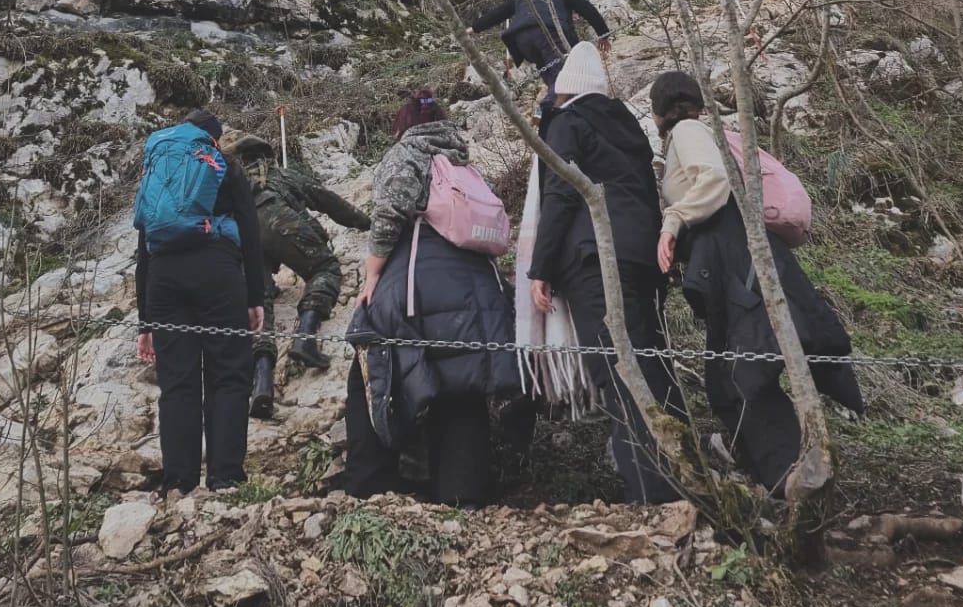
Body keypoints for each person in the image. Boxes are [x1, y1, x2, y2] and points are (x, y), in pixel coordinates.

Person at [649, 70, 863, 496]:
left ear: (659, 111)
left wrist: (672, 222)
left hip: (739, 268)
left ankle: (791, 481)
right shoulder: (702, 130)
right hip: (738, 266)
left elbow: (713, 179)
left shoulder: (687, 131)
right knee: (731, 379)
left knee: (738, 378)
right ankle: (784, 478)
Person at [343, 90, 522, 506]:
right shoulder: (466, 164)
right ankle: (462, 496)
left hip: (417, 289)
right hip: (478, 290)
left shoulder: (406, 155)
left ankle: (371, 487)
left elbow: (389, 215)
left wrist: (372, 275)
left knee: (373, 372)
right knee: (464, 387)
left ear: (403, 126)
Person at [527, 42, 686, 503]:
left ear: (564, 90)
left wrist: (541, 268)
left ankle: (654, 495)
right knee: (653, 362)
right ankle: (685, 476)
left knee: (618, 371)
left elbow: (560, 194)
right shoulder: (628, 127)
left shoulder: (567, 122)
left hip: (593, 257)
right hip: (642, 257)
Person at [135, 109, 266, 495]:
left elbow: (144, 245)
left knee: (177, 382)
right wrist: (255, 296)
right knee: (228, 375)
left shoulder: (158, 170)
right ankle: (225, 476)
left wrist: (146, 321)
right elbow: (250, 232)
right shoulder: (223, 165)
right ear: (214, 137)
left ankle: (179, 480)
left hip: (163, 278)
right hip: (217, 271)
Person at [223, 133, 372, 419]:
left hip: (241, 236)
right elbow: (329, 202)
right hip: (278, 221)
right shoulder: (280, 175)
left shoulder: (231, 190)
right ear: (264, 155)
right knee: (324, 269)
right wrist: (366, 223)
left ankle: (262, 385)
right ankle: (305, 338)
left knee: (259, 302)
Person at [467, 0, 612, 96]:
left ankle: (555, 110)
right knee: (563, 77)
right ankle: (545, 110)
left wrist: (474, 28)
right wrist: (603, 33)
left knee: (550, 74)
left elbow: (499, 12)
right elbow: (586, 9)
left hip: (522, 40)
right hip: (548, 34)